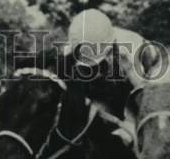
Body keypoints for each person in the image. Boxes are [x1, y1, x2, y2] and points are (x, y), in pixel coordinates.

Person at [62, 8, 149, 143]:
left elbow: (144, 98)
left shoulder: (131, 50)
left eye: (97, 63)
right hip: (104, 90)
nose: (94, 69)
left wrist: (129, 124)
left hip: (137, 85)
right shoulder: (72, 48)